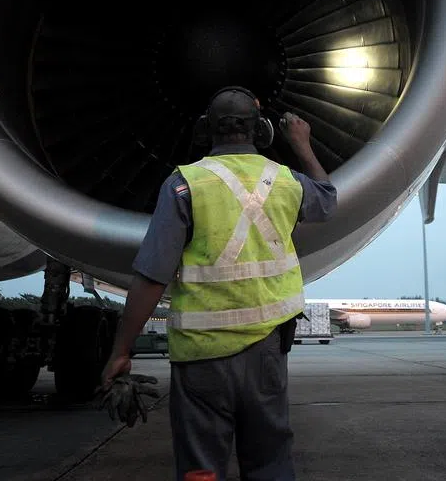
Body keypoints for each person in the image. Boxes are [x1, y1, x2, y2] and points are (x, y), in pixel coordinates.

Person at [100, 86, 336, 480]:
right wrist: (302, 145)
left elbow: (153, 275)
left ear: (203, 130)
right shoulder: (286, 181)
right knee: (270, 463)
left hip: (201, 357)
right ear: (261, 130)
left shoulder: (183, 185)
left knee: (201, 467)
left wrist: (121, 350)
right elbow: (327, 200)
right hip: (266, 355)